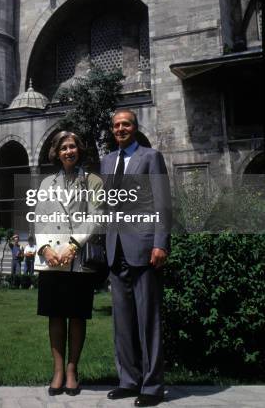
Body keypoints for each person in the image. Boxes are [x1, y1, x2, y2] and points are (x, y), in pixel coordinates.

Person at [101, 109, 171, 407]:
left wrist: (160, 243)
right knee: (123, 321)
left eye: (125, 124)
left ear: (134, 127)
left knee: (148, 320)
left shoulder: (150, 157)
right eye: (116, 125)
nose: (120, 129)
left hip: (144, 249)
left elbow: (163, 203)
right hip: (115, 249)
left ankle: (152, 386)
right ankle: (129, 380)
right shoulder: (106, 161)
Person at [34, 131, 103, 396]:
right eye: (63, 147)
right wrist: (45, 248)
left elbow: (97, 215)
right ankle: (58, 370)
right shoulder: (46, 183)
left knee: (76, 315)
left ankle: (73, 370)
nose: (68, 151)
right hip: (52, 259)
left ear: (79, 150)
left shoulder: (91, 181)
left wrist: (75, 244)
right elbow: (38, 218)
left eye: (72, 146)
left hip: (78, 258)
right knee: (55, 315)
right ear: (57, 152)